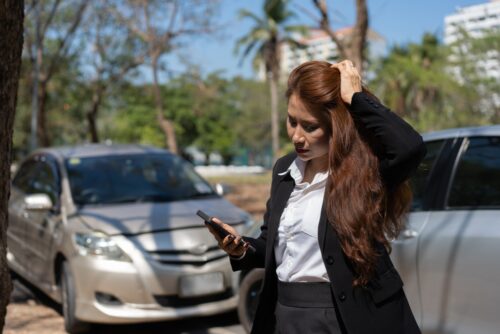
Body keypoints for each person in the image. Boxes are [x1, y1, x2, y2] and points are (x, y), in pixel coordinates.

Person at [207, 60, 426, 334]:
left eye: (310, 127)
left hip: (345, 317)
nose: (297, 136)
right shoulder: (284, 170)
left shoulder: (364, 173)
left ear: (336, 126)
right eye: (292, 121)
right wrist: (242, 249)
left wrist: (355, 98)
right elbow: (271, 244)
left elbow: (410, 147)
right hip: (285, 315)